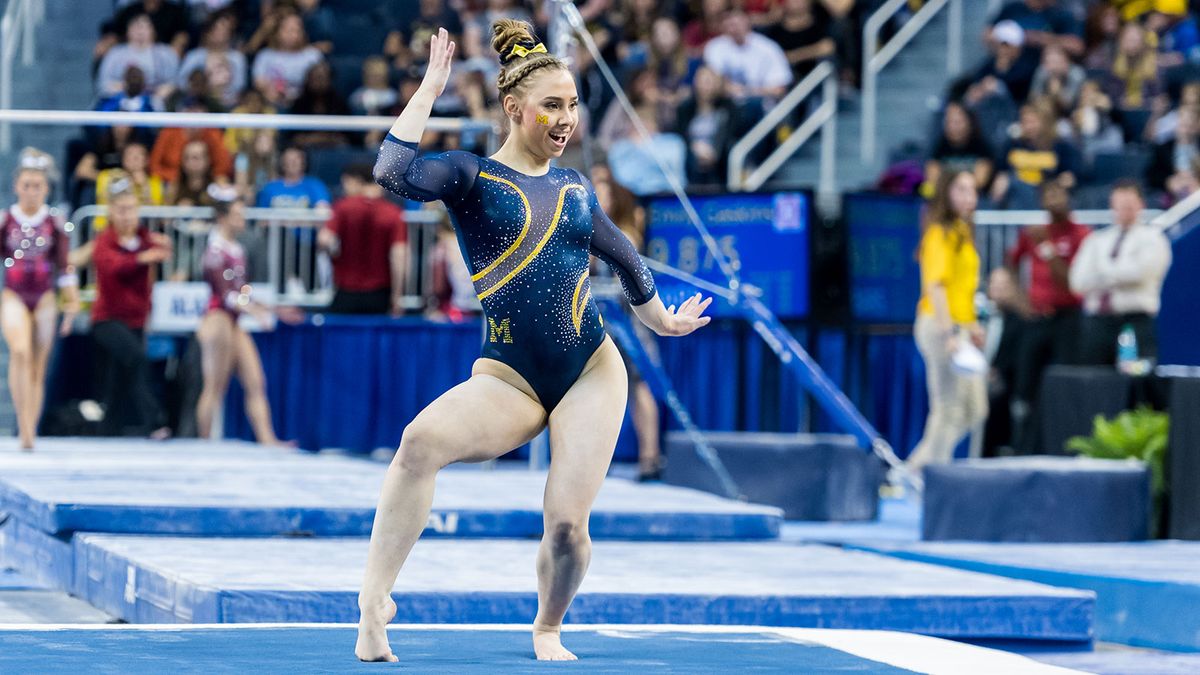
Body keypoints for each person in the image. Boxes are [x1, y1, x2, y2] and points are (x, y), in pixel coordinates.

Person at [356, 23, 711, 663]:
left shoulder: (575, 186)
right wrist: (432, 86)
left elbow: (624, 256)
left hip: (590, 371)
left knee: (569, 525)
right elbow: (391, 169)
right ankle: (373, 603)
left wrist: (662, 320)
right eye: (552, 105)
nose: (566, 118)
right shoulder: (471, 178)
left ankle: (547, 626)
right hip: (509, 378)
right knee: (416, 446)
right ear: (514, 109)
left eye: (573, 104)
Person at [195, 187, 294, 445]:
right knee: (215, 386)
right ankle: (203, 442)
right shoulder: (215, 251)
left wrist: (271, 308)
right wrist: (256, 311)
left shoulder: (236, 250)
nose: (242, 219)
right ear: (223, 218)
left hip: (234, 321)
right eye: (237, 215)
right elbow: (226, 296)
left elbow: (241, 292)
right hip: (217, 320)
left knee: (255, 381)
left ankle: (268, 439)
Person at [907, 170, 987, 472]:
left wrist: (971, 325)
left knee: (974, 409)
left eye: (973, 189)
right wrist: (949, 333)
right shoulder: (939, 233)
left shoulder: (962, 233)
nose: (969, 196)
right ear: (946, 194)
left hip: (960, 328)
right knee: (948, 409)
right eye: (961, 189)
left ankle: (915, 468)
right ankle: (925, 478)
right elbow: (937, 287)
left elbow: (962, 290)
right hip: (940, 326)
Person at [2, 150, 80, 450]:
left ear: (46, 189)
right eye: (27, 185)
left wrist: (71, 307)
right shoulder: (6, 220)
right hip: (14, 294)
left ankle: (30, 428)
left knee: (37, 365)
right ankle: (23, 423)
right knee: (20, 351)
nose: (32, 191)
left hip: (45, 297)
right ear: (16, 186)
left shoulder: (56, 223)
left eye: (37, 186)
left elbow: (65, 268)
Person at [1006, 181, 1090, 454]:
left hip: (1068, 319)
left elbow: (1071, 284)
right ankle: (1021, 446)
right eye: (1048, 194)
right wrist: (1019, 301)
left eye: (1058, 194)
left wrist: (1047, 248)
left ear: (1070, 199)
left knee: (1063, 383)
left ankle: (1063, 445)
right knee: (1025, 385)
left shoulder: (1081, 235)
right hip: (1037, 319)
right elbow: (1010, 265)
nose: (1053, 199)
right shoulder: (1032, 233)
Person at [90, 182, 173, 438]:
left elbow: (164, 254)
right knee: (136, 359)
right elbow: (113, 268)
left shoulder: (145, 238)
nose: (127, 215)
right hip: (107, 320)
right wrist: (141, 258)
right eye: (121, 210)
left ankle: (108, 428)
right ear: (112, 212)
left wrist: (163, 248)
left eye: (131, 209)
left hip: (136, 319)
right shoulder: (105, 241)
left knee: (121, 375)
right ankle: (156, 421)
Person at [1069, 181, 1173, 366]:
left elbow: (1140, 273)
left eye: (1129, 204)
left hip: (1137, 320)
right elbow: (1078, 281)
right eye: (1120, 204)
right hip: (1098, 322)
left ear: (1141, 204)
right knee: (1095, 379)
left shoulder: (1154, 238)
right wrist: (1118, 274)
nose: (1124, 209)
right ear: (1112, 205)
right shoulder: (1096, 240)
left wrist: (1101, 274)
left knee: (1139, 379)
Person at [318, 164, 408, 315]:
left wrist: (335, 256)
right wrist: (397, 297)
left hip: (346, 290)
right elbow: (399, 256)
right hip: (379, 293)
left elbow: (324, 239)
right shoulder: (393, 213)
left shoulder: (343, 207)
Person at [95, 14, 181, 98]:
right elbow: (102, 84)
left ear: (153, 31)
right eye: (136, 27)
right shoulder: (115, 53)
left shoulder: (166, 53)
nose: (140, 31)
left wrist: (162, 93)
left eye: (144, 27)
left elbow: (175, 82)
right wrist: (124, 89)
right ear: (128, 31)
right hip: (121, 102)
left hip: (155, 102)